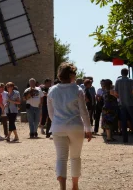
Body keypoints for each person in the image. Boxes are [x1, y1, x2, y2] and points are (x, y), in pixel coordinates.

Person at [48, 62, 92, 190]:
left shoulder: (52, 90)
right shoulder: (77, 89)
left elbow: (51, 113)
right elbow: (84, 111)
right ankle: (75, 186)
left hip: (58, 127)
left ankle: (62, 187)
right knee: (75, 157)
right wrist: (88, 129)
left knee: (61, 158)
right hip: (75, 127)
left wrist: (57, 122)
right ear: (72, 75)